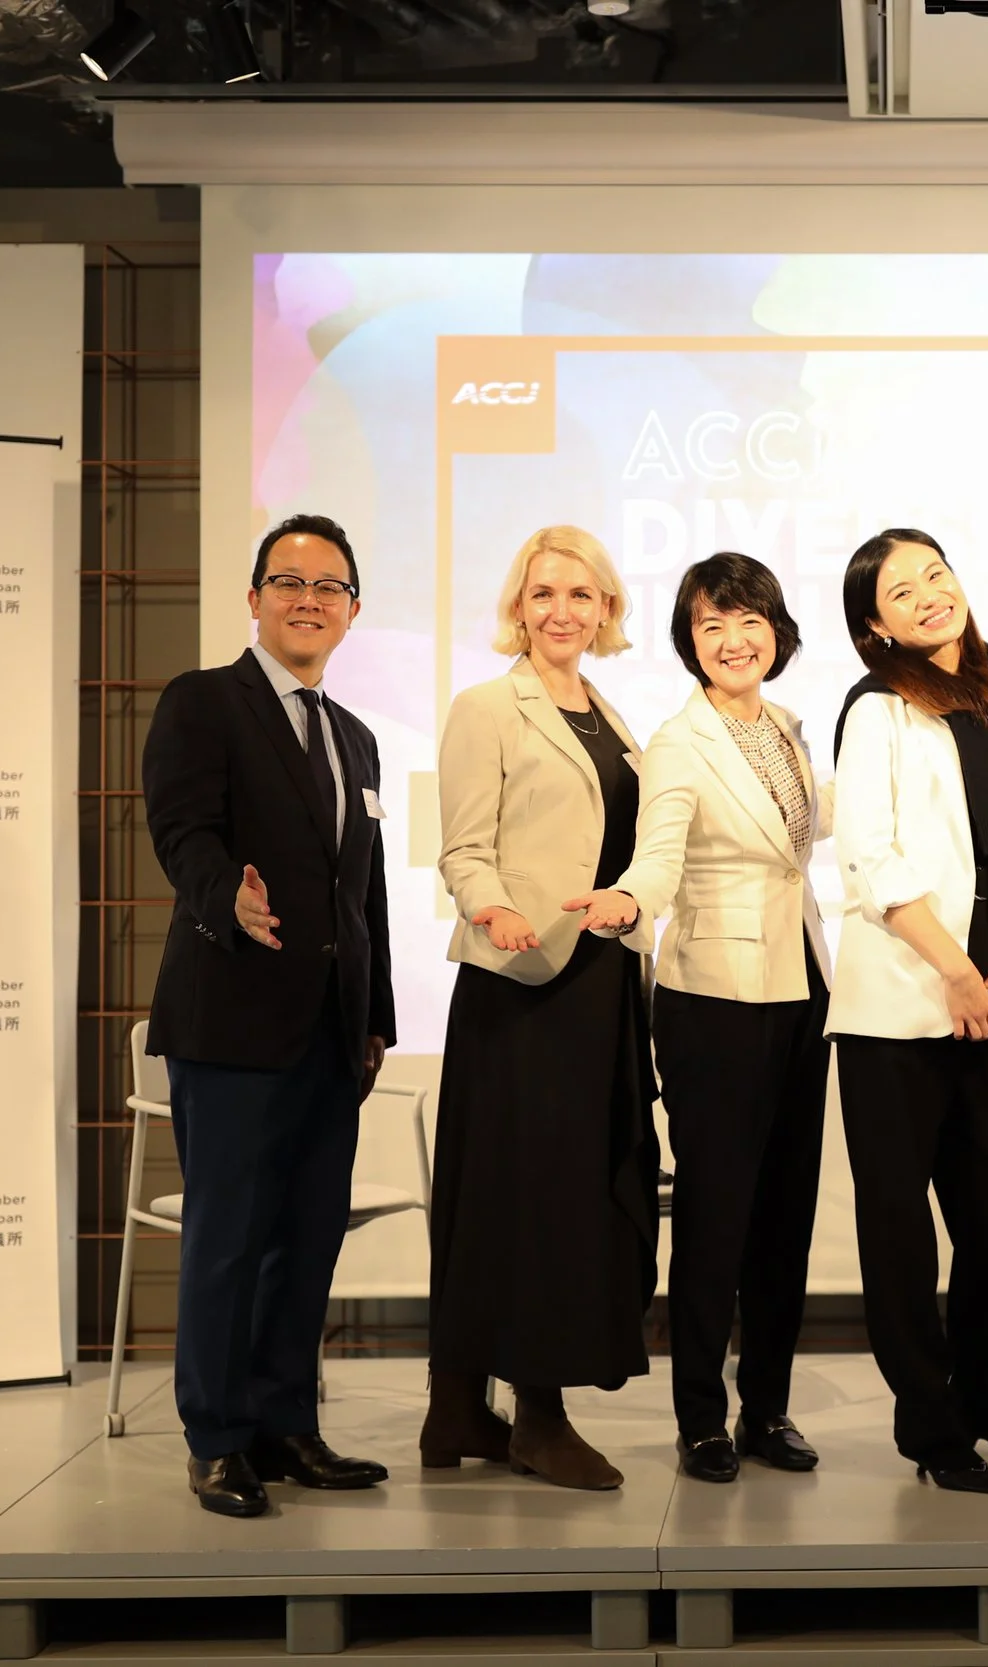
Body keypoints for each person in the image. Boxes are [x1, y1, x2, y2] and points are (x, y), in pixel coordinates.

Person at [141, 513, 397, 1519]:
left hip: (332, 1033)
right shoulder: (204, 702)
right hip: (232, 1019)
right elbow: (182, 831)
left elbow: (364, 892)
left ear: (353, 611)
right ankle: (216, 1437)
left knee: (307, 1235)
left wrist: (374, 1017)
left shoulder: (355, 737)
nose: (308, 599)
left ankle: (287, 1423)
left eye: (329, 586)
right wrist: (228, 902)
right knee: (228, 1237)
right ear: (253, 599)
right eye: (288, 581)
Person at [563, 553, 833, 1485]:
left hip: (803, 986)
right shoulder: (679, 743)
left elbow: (807, 840)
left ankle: (768, 1408)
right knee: (718, 1217)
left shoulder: (788, 726)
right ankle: (701, 1419)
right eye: (711, 624)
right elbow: (661, 852)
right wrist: (627, 900)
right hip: (714, 998)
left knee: (786, 1214)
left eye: (749, 619)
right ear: (689, 641)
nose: (733, 639)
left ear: (777, 631)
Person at [826, 529, 988, 1495]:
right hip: (901, 1008)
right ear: (875, 626)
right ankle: (931, 1426)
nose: (930, 594)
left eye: (936, 573)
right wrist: (958, 972)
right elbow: (871, 857)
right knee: (900, 1227)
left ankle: (984, 1398)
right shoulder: (877, 708)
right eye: (902, 590)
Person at [420, 525, 659, 1493]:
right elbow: (462, 847)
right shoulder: (487, 707)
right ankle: (536, 1416)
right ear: (518, 606)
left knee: (566, 1191)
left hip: (599, 984)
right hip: (520, 984)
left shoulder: (612, 716)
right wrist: (492, 908)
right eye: (544, 592)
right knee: (522, 1198)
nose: (562, 610)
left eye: (582, 594)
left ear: (607, 609)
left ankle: (454, 1408)